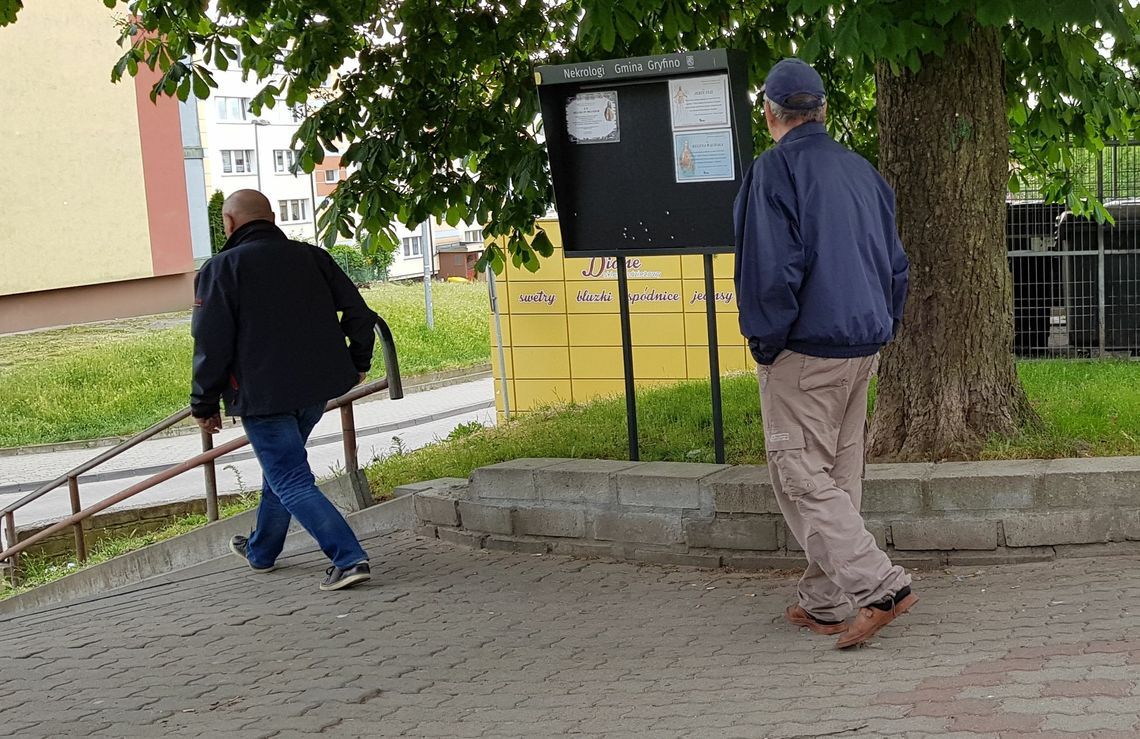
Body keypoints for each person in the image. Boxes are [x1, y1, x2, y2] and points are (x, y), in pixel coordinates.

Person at [733, 59, 915, 649]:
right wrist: (883, 325)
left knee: (801, 476)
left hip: (804, 349)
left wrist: (766, 346)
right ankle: (824, 600)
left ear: (769, 114)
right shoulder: (863, 171)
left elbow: (770, 270)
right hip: (862, 345)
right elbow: (896, 265)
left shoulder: (774, 170)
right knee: (839, 476)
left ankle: (879, 586)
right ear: (823, 111)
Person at [191, 189, 376, 591]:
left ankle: (348, 559)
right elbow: (360, 314)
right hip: (315, 391)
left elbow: (210, 342)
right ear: (272, 218)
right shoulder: (313, 257)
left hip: (262, 397)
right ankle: (262, 551)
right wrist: (358, 362)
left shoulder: (221, 268)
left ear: (229, 223)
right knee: (282, 470)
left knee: (290, 478)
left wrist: (203, 402)